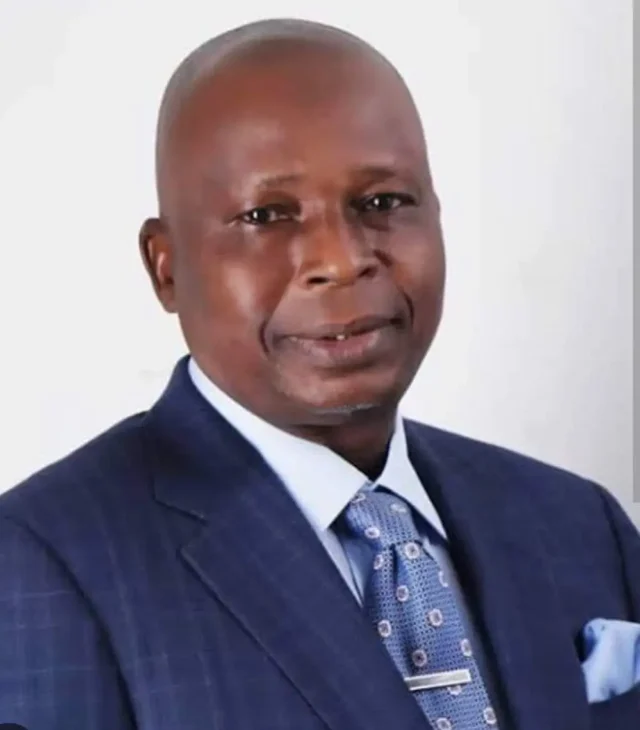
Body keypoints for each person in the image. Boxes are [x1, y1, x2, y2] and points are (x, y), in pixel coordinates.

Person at [0, 18, 638, 730]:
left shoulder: (579, 524)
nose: (341, 258)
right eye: (265, 215)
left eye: (383, 202)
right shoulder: (42, 566)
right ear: (166, 267)